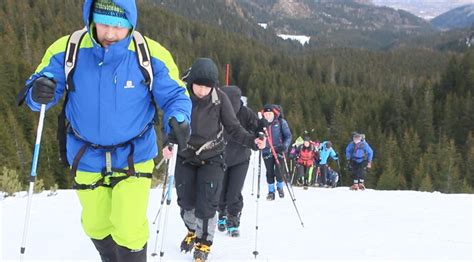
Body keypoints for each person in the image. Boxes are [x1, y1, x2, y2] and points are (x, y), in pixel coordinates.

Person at [16, 1, 192, 261]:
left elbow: (176, 95)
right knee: (96, 224)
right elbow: (39, 89)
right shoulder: (69, 49)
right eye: (104, 24)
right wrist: (37, 91)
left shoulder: (149, 53)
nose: (110, 34)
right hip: (85, 155)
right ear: (91, 19)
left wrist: (178, 118)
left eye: (118, 26)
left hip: (135, 155)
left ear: (130, 24)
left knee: (129, 225)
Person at [162, 58, 265, 261]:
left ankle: (204, 242)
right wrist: (167, 143)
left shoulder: (220, 99)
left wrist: (253, 142)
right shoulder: (182, 96)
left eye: (207, 87)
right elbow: (169, 122)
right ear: (191, 82)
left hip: (213, 156)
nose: (202, 91)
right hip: (186, 155)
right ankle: (192, 230)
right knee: (186, 202)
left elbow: (234, 128)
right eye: (198, 85)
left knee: (208, 204)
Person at [217, 85, 260, 237]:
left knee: (234, 192)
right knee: (220, 190)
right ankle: (221, 213)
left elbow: (257, 128)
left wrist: (258, 135)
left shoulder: (246, 113)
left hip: (241, 158)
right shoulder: (217, 109)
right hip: (220, 157)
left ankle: (233, 219)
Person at [261, 104, 292, 200]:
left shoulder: (280, 122)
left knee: (279, 171)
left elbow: (288, 136)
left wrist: (284, 146)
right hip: (267, 150)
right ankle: (271, 192)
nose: (268, 116)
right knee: (269, 172)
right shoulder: (261, 124)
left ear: (274, 114)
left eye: (270, 114)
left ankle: (280, 187)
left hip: (279, 149)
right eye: (266, 114)